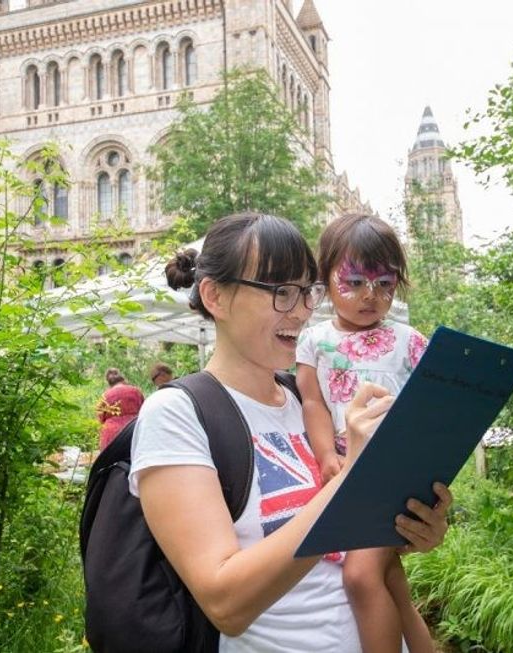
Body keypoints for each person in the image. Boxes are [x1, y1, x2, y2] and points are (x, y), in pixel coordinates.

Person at [129, 212, 452, 652]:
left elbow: (363, 544)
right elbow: (226, 603)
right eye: (281, 292)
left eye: (305, 291)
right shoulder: (178, 415)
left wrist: (417, 525)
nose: (301, 311)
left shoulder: (313, 397)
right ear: (216, 297)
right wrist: (354, 476)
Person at [295, 213, 433, 653]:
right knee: (390, 579)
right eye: (354, 281)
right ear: (326, 278)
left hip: (397, 472)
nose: (370, 295)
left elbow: (434, 406)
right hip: (348, 469)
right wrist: (325, 455)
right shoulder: (313, 341)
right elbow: (313, 402)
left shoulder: (410, 341)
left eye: (384, 284)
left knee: (360, 576)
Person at [96, 367, 145, 450]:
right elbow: (144, 410)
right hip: (132, 430)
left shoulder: (105, 396)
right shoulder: (136, 391)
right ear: (123, 379)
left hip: (111, 434)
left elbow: (100, 418)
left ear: (109, 382)